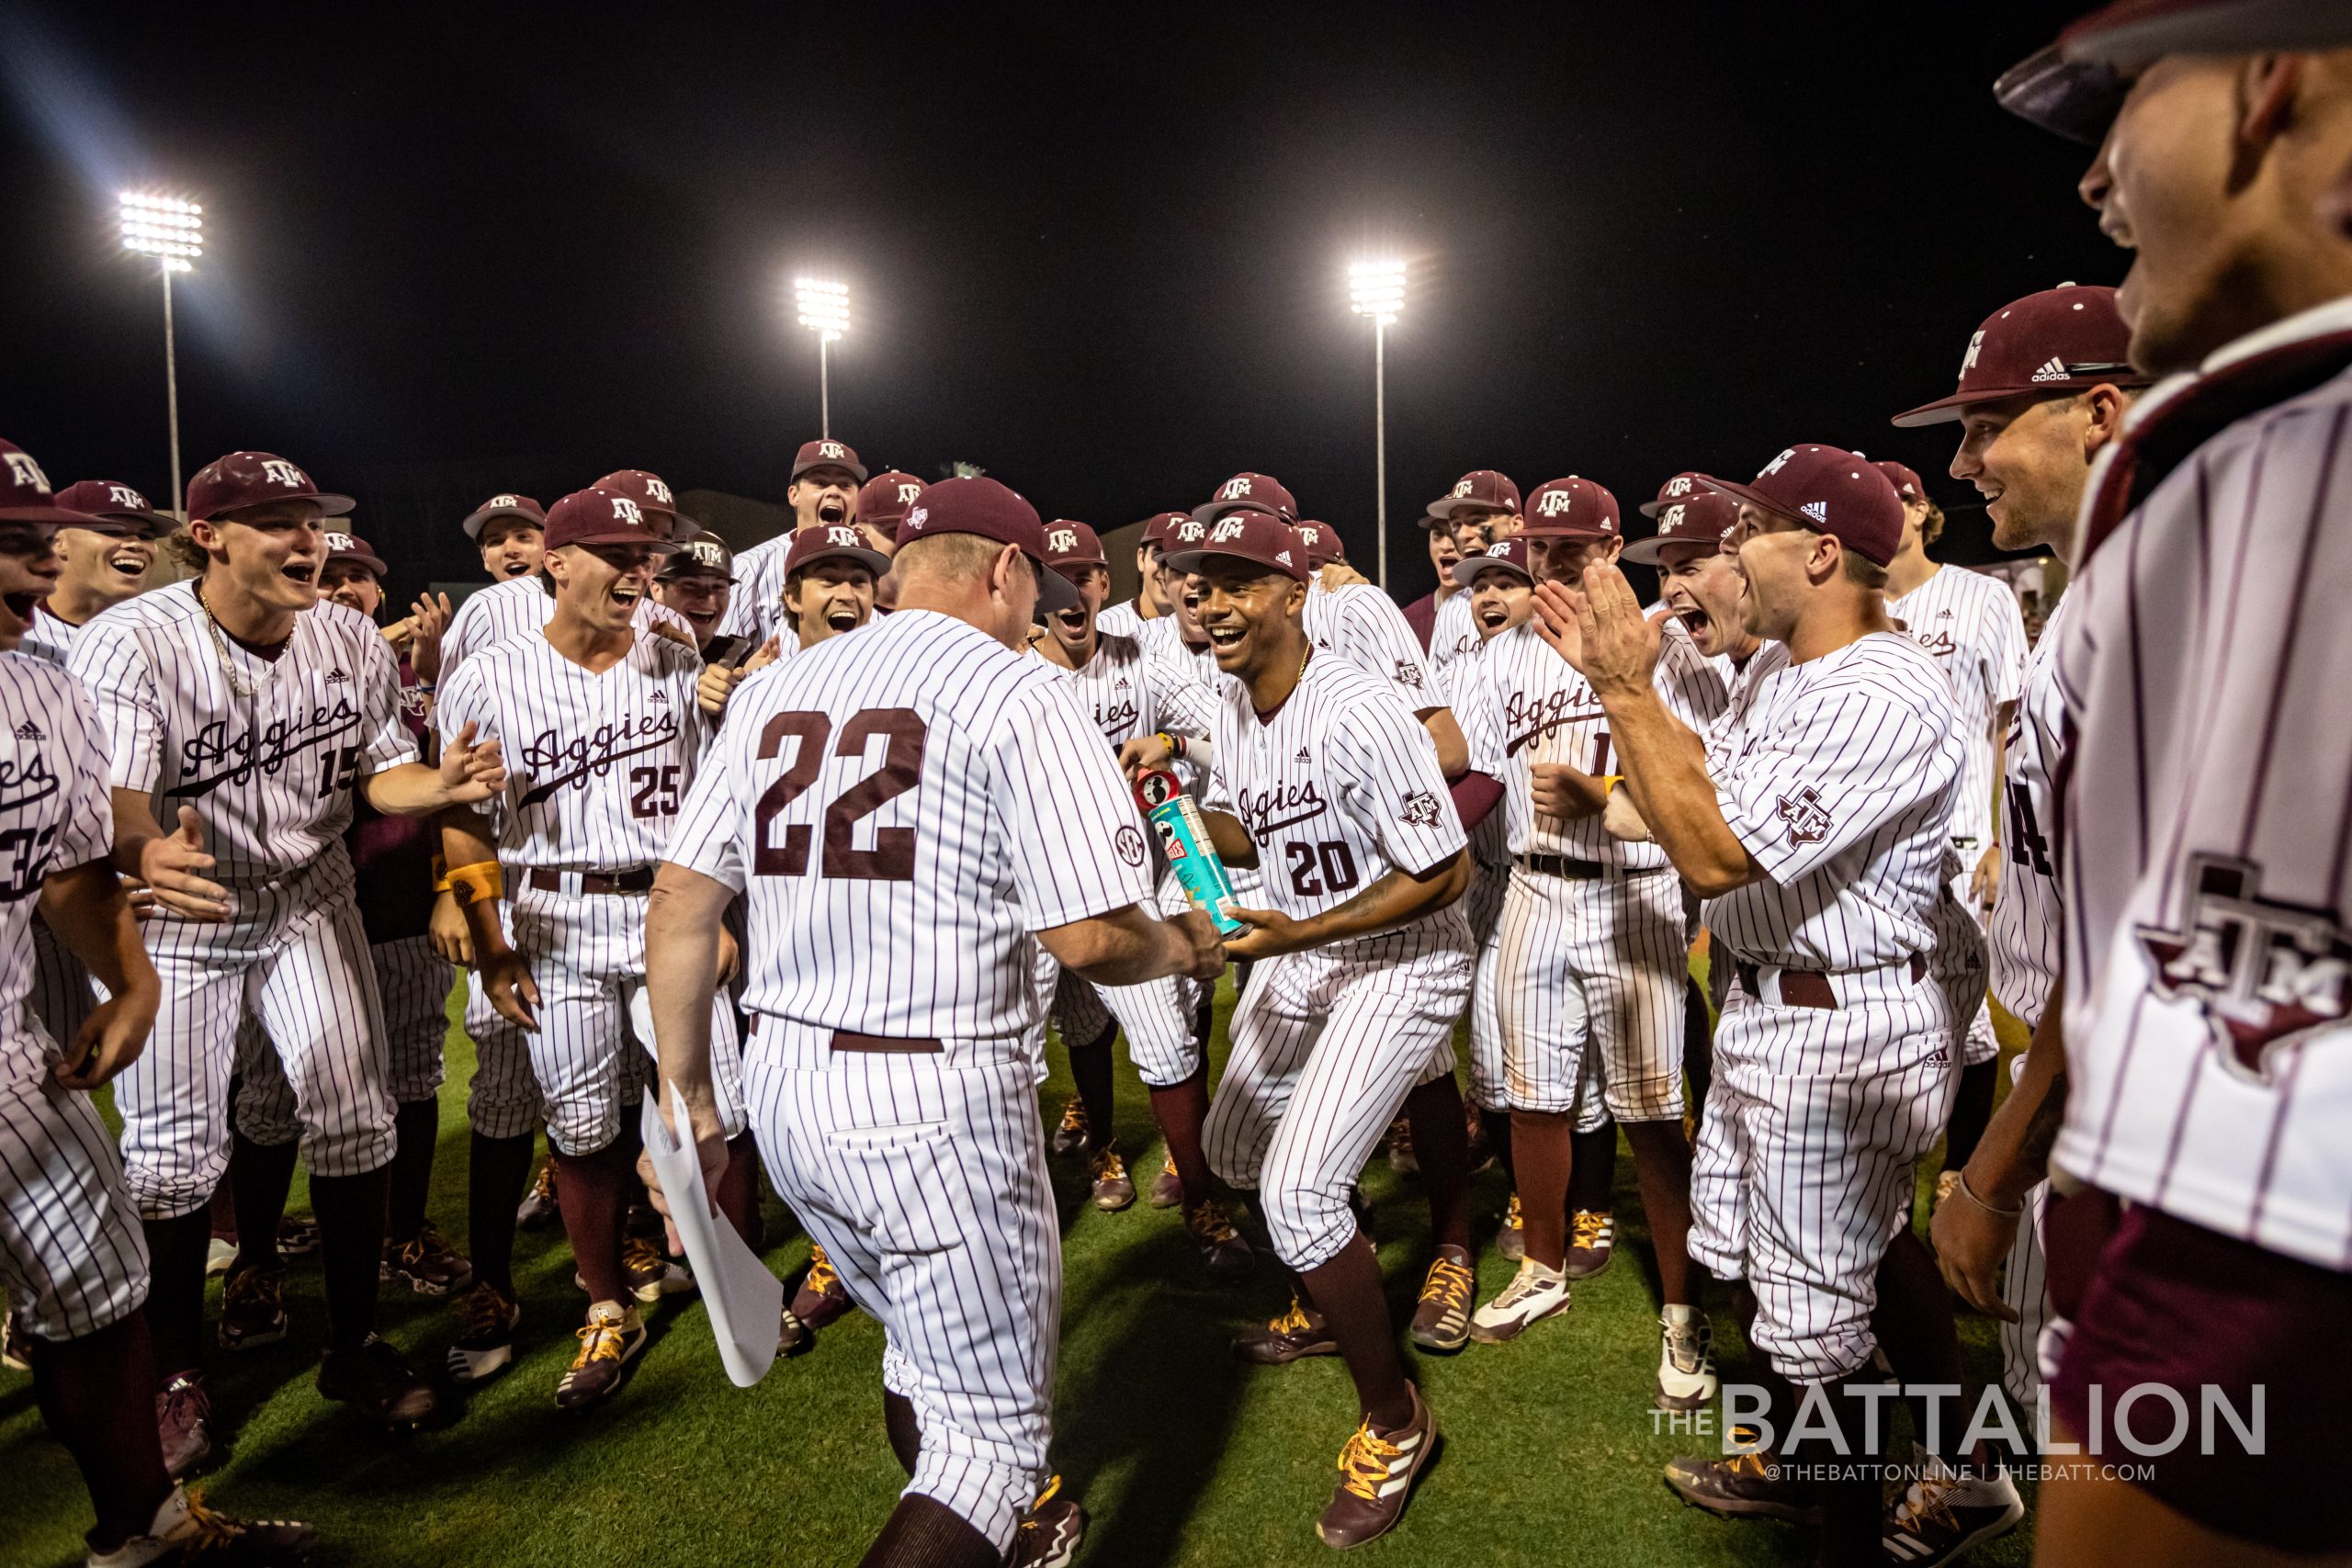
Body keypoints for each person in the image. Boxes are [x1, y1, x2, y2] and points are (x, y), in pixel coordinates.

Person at [642, 476, 1221, 1568]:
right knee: (991, 1449)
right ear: (1002, 570)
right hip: (932, 1099)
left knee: (919, 1357)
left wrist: (691, 1092)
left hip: (788, 1088)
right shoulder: (1017, 691)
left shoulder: (778, 688)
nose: (1037, 608)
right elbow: (1092, 938)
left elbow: (679, 898)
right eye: (1031, 586)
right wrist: (1182, 946)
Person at [1994, 11, 2352, 1563]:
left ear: (2272, 82)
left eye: (2130, 99)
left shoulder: (2285, 449)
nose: (2096, 178)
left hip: (2255, 1256)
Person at [1543, 444, 2007, 1564]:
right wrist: (1615, 786)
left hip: (1838, 1022)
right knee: (1819, 1264)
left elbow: (1711, 852)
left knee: (1812, 1330)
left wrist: (1620, 684)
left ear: (1820, 551)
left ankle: (1851, 1525)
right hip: (1771, 1008)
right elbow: (1696, 803)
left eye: (1745, 530)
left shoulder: (1885, 686)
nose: (1724, 552)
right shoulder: (1778, 671)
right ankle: (1852, 1469)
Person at [70, 450, 508, 1453]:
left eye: (311, 519)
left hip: (309, 895)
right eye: (276, 520)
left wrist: (436, 790)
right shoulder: (136, 642)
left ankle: (354, 1344)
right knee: (176, 1160)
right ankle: (175, 1370)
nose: (305, 539)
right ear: (209, 536)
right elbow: (121, 807)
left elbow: (381, 777)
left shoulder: (346, 636)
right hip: (184, 911)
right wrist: (141, 849)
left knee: (357, 1117)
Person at [0, 439, 318, 1566]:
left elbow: (77, 860)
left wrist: (131, 976)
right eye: (9, 536)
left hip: (11, 1040)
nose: (33, 553)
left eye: (34, 533)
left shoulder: (40, 680)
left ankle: (145, 1535)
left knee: (95, 1283)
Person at [1164, 507, 1478, 1547]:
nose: (1209, 601)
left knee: (1298, 1192)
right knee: (1230, 1148)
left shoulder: (1358, 705)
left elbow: (1444, 872)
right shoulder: (1237, 700)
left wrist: (1302, 929)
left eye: (1237, 581)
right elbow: (1260, 827)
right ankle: (1327, 1279)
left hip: (1405, 961)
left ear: (1296, 594)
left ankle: (1396, 1420)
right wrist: (1168, 810)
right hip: (1312, 946)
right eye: (1198, 583)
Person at [1891, 283, 2143, 1436]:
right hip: (2081, 1106)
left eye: (1988, 427)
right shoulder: (2093, 602)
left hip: (2125, 1124)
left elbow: (2126, 965)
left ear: (2098, 411)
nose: (1965, 464)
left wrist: (1993, 1171)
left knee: (2126, 1461)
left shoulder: (2145, 615)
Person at [436, 486, 751, 1408]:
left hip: (663, 907)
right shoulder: (487, 673)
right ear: (557, 563)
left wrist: (714, 911)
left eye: (646, 551)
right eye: (617, 551)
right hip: (553, 912)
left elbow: (703, 799)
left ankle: (728, 1278)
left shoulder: (671, 652)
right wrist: (492, 943)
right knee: (578, 1126)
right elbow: (460, 813)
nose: (638, 568)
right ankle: (608, 1302)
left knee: (717, 1109)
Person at [1448, 478, 1724, 1420]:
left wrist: (1614, 802)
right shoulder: (1496, 658)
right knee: (1533, 1097)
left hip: (1634, 895)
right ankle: (1541, 1264)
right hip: (1531, 883)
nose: (1551, 562)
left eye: (1572, 548)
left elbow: (1703, 778)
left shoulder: (1664, 641)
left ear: (1612, 549)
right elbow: (1474, 775)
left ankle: (1684, 1309)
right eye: (1540, 546)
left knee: (1651, 1112)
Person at [1029, 521, 1249, 1274]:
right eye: (1057, 580)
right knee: (1048, 1040)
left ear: (1103, 582)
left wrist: (1179, 744)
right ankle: (1097, 1154)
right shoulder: (1009, 671)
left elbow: (1233, 734)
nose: (1075, 592)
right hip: (1034, 882)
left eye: (1087, 575)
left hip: (1130, 872)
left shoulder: (1139, 656)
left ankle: (1199, 1192)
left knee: (1164, 1036)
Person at [1872, 459, 2028, 1201]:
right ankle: (1887, 1166)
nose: (1890, 509)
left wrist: (2001, 834)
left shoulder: (1982, 597)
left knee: (1971, 1031)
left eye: (1902, 496)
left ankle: (1962, 1174)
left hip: (1963, 839)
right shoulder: (1856, 606)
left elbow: (2009, 724)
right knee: (1884, 1013)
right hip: (1879, 850)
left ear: (1924, 508)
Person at [718, 438, 868, 645]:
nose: (834, 492)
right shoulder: (751, 565)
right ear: (794, 495)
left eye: (845, 485)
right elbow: (725, 651)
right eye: (820, 483)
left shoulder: (871, 565)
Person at [1421, 469, 1522, 689]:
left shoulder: (1547, 593)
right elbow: (1437, 698)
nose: (1462, 535)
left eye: (1477, 521)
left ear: (1515, 525)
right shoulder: (1451, 611)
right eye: (1456, 525)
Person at [1096, 510, 1189, 638]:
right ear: (1141, 559)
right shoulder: (1102, 627)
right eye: (1158, 553)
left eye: (1177, 555)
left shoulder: (1206, 628)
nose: (1167, 567)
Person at [651, 532, 737, 649]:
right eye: (690, 585)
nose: (709, 598)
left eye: (718, 587)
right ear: (657, 590)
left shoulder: (740, 657)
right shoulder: (630, 654)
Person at [1396, 510, 1464, 653]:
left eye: (1455, 534)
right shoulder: (1406, 621)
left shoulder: (1494, 616)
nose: (1446, 545)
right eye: (1438, 534)